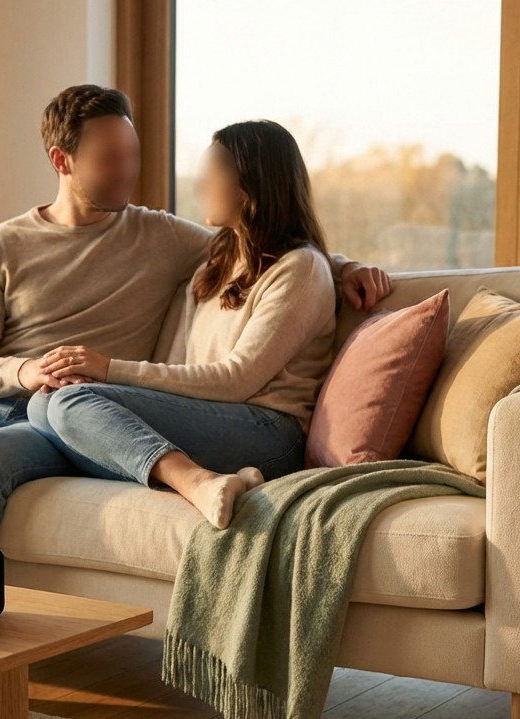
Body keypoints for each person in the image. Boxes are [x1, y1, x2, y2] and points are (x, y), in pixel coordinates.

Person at [0, 84, 394, 551]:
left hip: (81, 414)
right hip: (0, 400)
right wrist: (27, 372)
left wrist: (344, 267)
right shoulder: (1, 245)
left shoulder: (158, 234)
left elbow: (276, 247)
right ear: (62, 161)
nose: (128, 170)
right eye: (110, 159)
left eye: (131, 153)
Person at [22, 119, 342, 528]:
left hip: (269, 432)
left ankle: (196, 482)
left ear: (250, 182)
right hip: (208, 418)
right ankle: (203, 479)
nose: (199, 187)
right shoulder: (214, 268)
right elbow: (176, 366)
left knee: (70, 404)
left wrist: (108, 369)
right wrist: (99, 382)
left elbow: (236, 380)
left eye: (211, 174)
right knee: (44, 402)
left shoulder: (300, 269)